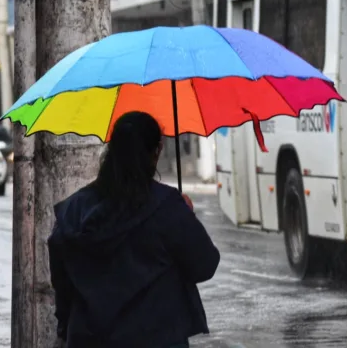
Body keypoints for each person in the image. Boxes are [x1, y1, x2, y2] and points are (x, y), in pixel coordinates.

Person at [48, 111, 220, 348]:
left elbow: (62, 280)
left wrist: (63, 331)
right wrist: (186, 216)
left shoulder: (73, 209)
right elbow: (204, 265)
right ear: (156, 151)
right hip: (157, 337)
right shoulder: (167, 206)